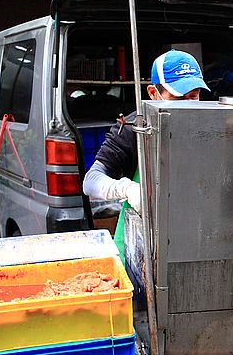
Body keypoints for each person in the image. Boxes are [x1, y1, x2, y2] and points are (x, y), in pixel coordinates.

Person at [82, 50, 209, 262]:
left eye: (194, 96)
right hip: (141, 240)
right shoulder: (134, 128)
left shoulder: (208, 124)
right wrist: (127, 189)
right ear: (153, 93)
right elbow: (91, 181)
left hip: (189, 236)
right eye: (179, 97)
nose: (189, 104)